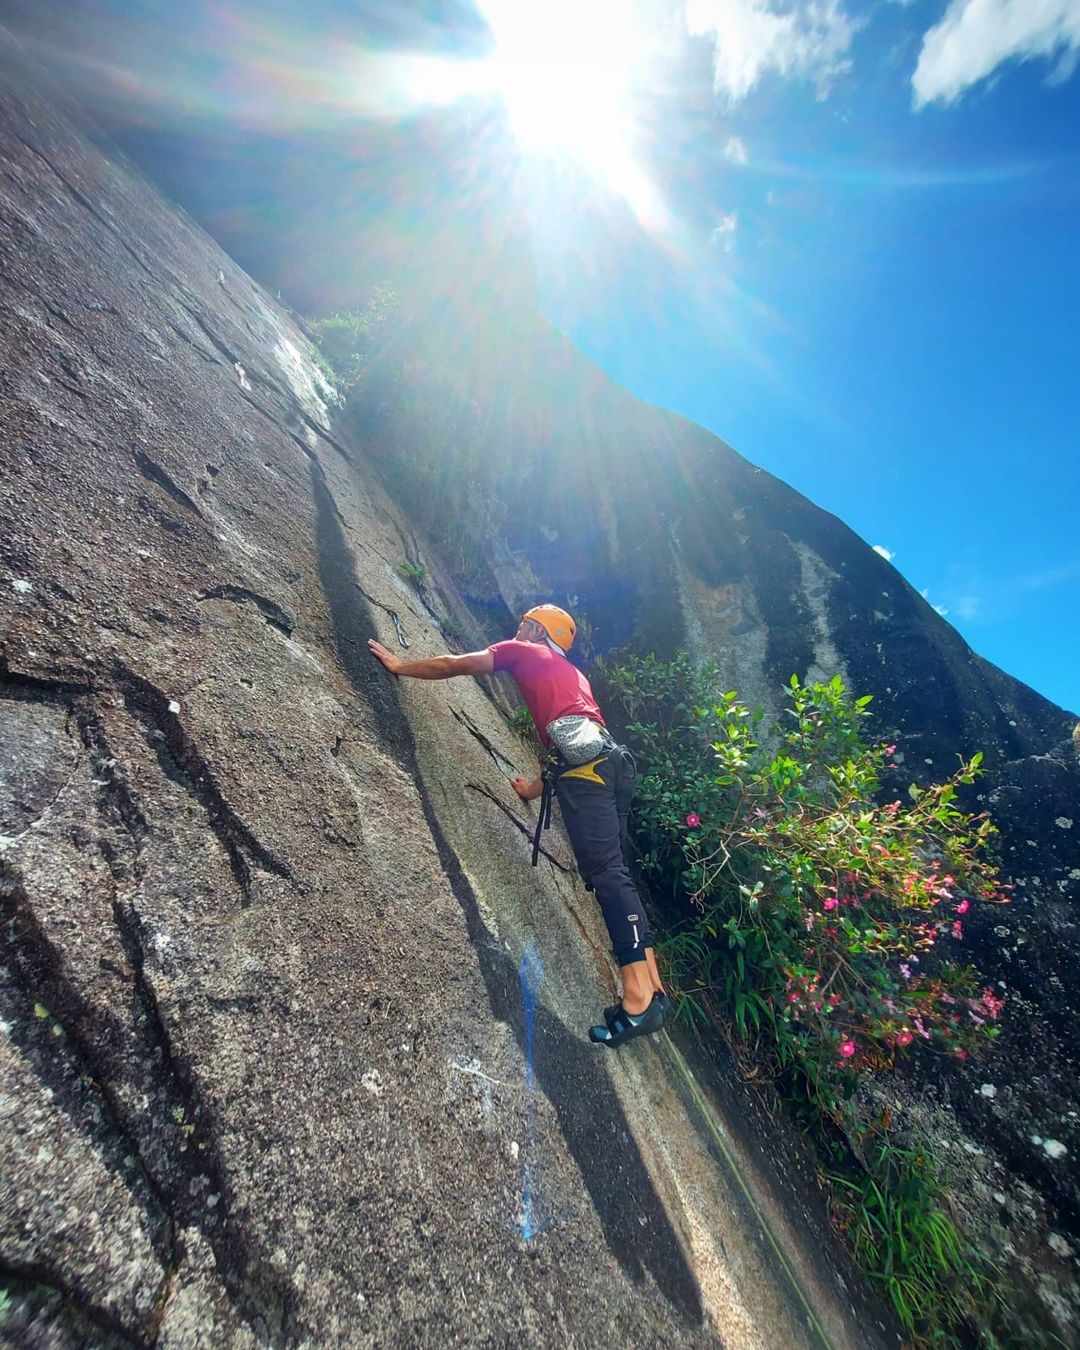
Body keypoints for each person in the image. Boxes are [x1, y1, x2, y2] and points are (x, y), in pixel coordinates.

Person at [368, 604, 670, 1047]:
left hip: (589, 770)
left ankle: (638, 996)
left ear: (536, 629)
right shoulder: (574, 674)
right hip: (615, 765)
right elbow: (569, 735)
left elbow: (458, 665)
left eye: (525, 623)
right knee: (616, 874)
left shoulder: (523, 651)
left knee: (606, 876)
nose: (518, 628)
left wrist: (401, 666)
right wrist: (530, 789)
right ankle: (655, 990)